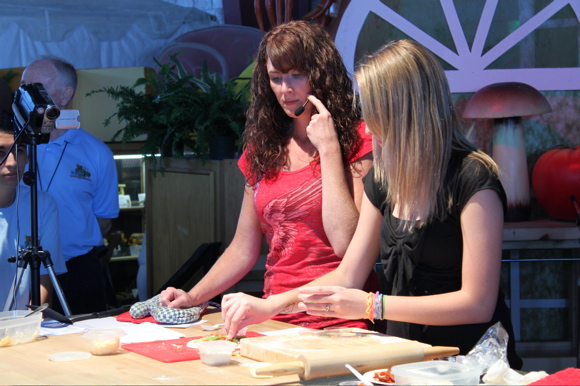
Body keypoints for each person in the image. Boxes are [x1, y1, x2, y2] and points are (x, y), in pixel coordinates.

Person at [291, 40, 522, 368]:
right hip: (408, 364)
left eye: (376, 114)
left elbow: (478, 303)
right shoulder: (385, 178)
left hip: (471, 367)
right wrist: (270, 306)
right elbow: (347, 274)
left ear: (404, 111)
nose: (369, 127)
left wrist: (373, 307)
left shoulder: (473, 176)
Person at [160, 20, 379, 331]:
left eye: (296, 76)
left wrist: (329, 150)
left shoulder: (359, 140)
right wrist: (193, 296)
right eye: (276, 78)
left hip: (340, 316)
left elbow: (347, 244)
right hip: (273, 313)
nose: (286, 90)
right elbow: (243, 247)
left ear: (321, 76)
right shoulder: (264, 147)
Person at [20, 57, 120, 315]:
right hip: (18, 268)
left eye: (35, 86)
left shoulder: (97, 153)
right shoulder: (14, 147)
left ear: (65, 95)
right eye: (23, 86)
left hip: (78, 269)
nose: (25, 94)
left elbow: (104, 220)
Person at [0, 108, 67, 310]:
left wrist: (27, 324)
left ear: (28, 156)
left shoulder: (42, 204)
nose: (11, 163)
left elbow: (44, 280)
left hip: (22, 330)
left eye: (19, 150)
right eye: (1, 153)